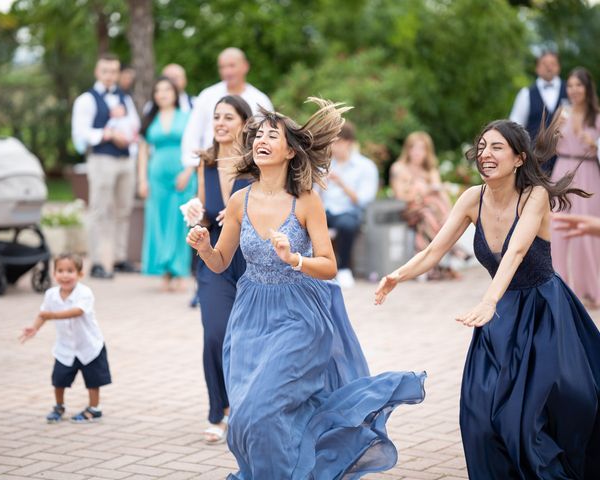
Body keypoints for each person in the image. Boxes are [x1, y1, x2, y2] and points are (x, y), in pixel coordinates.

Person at [187, 98, 426, 478]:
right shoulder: (238, 201)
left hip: (299, 314)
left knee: (264, 408)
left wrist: (294, 259)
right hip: (250, 314)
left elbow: (329, 266)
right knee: (246, 418)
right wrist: (204, 248)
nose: (261, 140)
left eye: (272, 135)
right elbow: (220, 261)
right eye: (257, 135)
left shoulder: (306, 200)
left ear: (290, 151)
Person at [375, 117, 600, 479]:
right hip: (499, 318)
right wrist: (397, 275)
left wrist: (489, 301)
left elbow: (516, 251)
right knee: (479, 417)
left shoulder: (535, 196)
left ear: (519, 159)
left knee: (528, 423)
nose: (485, 153)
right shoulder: (470, 198)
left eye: (496, 147)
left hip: (544, 314)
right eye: (481, 147)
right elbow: (434, 251)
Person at [185, 95, 253, 444]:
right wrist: (197, 214)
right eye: (216, 117)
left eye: (229, 117)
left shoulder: (257, 162)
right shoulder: (207, 163)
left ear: (244, 122)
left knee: (249, 337)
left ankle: (246, 406)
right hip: (213, 256)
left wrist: (243, 212)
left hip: (252, 258)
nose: (220, 123)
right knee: (215, 333)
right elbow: (207, 213)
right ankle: (218, 410)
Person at [19, 253, 112, 423]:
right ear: (54, 274)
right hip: (65, 347)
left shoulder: (85, 293)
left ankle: (94, 408)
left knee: (93, 380)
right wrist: (35, 328)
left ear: (80, 274)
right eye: (60, 271)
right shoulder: (51, 294)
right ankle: (59, 406)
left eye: (70, 271)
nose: (65, 275)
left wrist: (51, 315)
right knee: (59, 379)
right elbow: (43, 314)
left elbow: (77, 312)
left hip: (89, 345)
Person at [71, 53, 140, 279]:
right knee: (99, 210)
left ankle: (120, 258)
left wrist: (126, 136)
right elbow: (80, 134)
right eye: (105, 71)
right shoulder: (86, 99)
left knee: (123, 209)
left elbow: (135, 125)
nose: (110, 76)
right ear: (97, 72)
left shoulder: (125, 98)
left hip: (125, 159)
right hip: (102, 159)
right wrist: (107, 133)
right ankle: (97, 262)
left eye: (114, 71)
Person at [137, 76, 194, 291]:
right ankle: (164, 271)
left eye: (167, 90)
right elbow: (143, 152)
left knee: (179, 223)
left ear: (175, 93)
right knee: (158, 223)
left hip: (182, 176)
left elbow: (195, 147)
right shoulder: (150, 119)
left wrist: (188, 172)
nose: (162, 94)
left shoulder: (187, 117)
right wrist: (142, 179)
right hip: (156, 177)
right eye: (158, 90)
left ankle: (179, 271)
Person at [550, 66, 600, 308]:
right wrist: (555, 129)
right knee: (557, 228)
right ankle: (560, 288)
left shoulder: (596, 116)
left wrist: (594, 143)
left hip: (589, 172)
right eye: (570, 85)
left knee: (587, 232)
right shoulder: (562, 113)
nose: (574, 90)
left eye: (578, 85)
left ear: (587, 88)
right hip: (562, 171)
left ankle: (591, 289)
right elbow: (548, 146)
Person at [390, 131, 470, 280]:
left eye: (421, 149)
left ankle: (433, 268)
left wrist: (450, 213)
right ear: (408, 150)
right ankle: (454, 248)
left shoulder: (430, 170)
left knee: (429, 210)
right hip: (408, 210)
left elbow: (439, 191)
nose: (417, 152)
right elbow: (400, 196)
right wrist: (419, 193)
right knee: (430, 205)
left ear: (427, 151)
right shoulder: (399, 168)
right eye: (413, 148)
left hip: (428, 212)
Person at [180, 48, 273, 170]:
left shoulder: (260, 100)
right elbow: (192, 133)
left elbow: (268, 136)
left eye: (232, 66)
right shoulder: (207, 96)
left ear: (245, 66)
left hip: (249, 168)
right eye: (222, 67)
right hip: (211, 165)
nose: (227, 72)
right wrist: (193, 164)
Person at [320, 122, 378, 288]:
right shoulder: (325, 164)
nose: (333, 147)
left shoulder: (365, 166)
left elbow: (364, 200)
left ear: (349, 142)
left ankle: (344, 269)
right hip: (326, 210)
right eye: (331, 142)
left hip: (349, 211)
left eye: (337, 142)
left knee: (346, 225)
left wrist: (341, 183)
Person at [509, 51, 568, 173]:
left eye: (553, 63)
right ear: (537, 68)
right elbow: (514, 127)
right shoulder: (526, 94)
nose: (549, 67)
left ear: (559, 67)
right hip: (534, 160)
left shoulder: (570, 92)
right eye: (544, 63)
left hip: (565, 159)